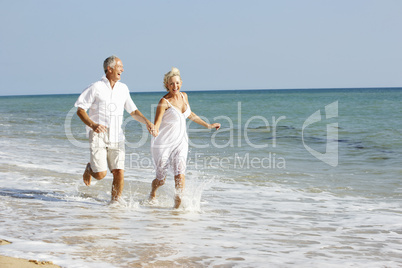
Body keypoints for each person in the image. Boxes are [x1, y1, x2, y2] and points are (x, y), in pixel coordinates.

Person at [75, 55, 156, 202]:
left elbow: (133, 111)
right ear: (109, 69)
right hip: (98, 135)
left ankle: (115, 204)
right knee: (100, 175)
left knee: (119, 172)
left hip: (117, 136)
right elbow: (80, 110)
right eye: (120, 67)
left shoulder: (123, 88)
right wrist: (93, 125)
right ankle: (90, 169)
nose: (122, 70)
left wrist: (147, 122)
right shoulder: (95, 87)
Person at [149, 67, 221, 208]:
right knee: (161, 179)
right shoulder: (164, 102)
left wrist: (208, 125)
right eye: (171, 84)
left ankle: (177, 206)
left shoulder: (184, 96)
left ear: (181, 83)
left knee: (180, 174)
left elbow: (190, 114)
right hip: (164, 143)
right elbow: (157, 123)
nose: (174, 86)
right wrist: (154, 129)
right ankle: (153, 192)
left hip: (181, 142)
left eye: (177, 83)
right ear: (167, 86)